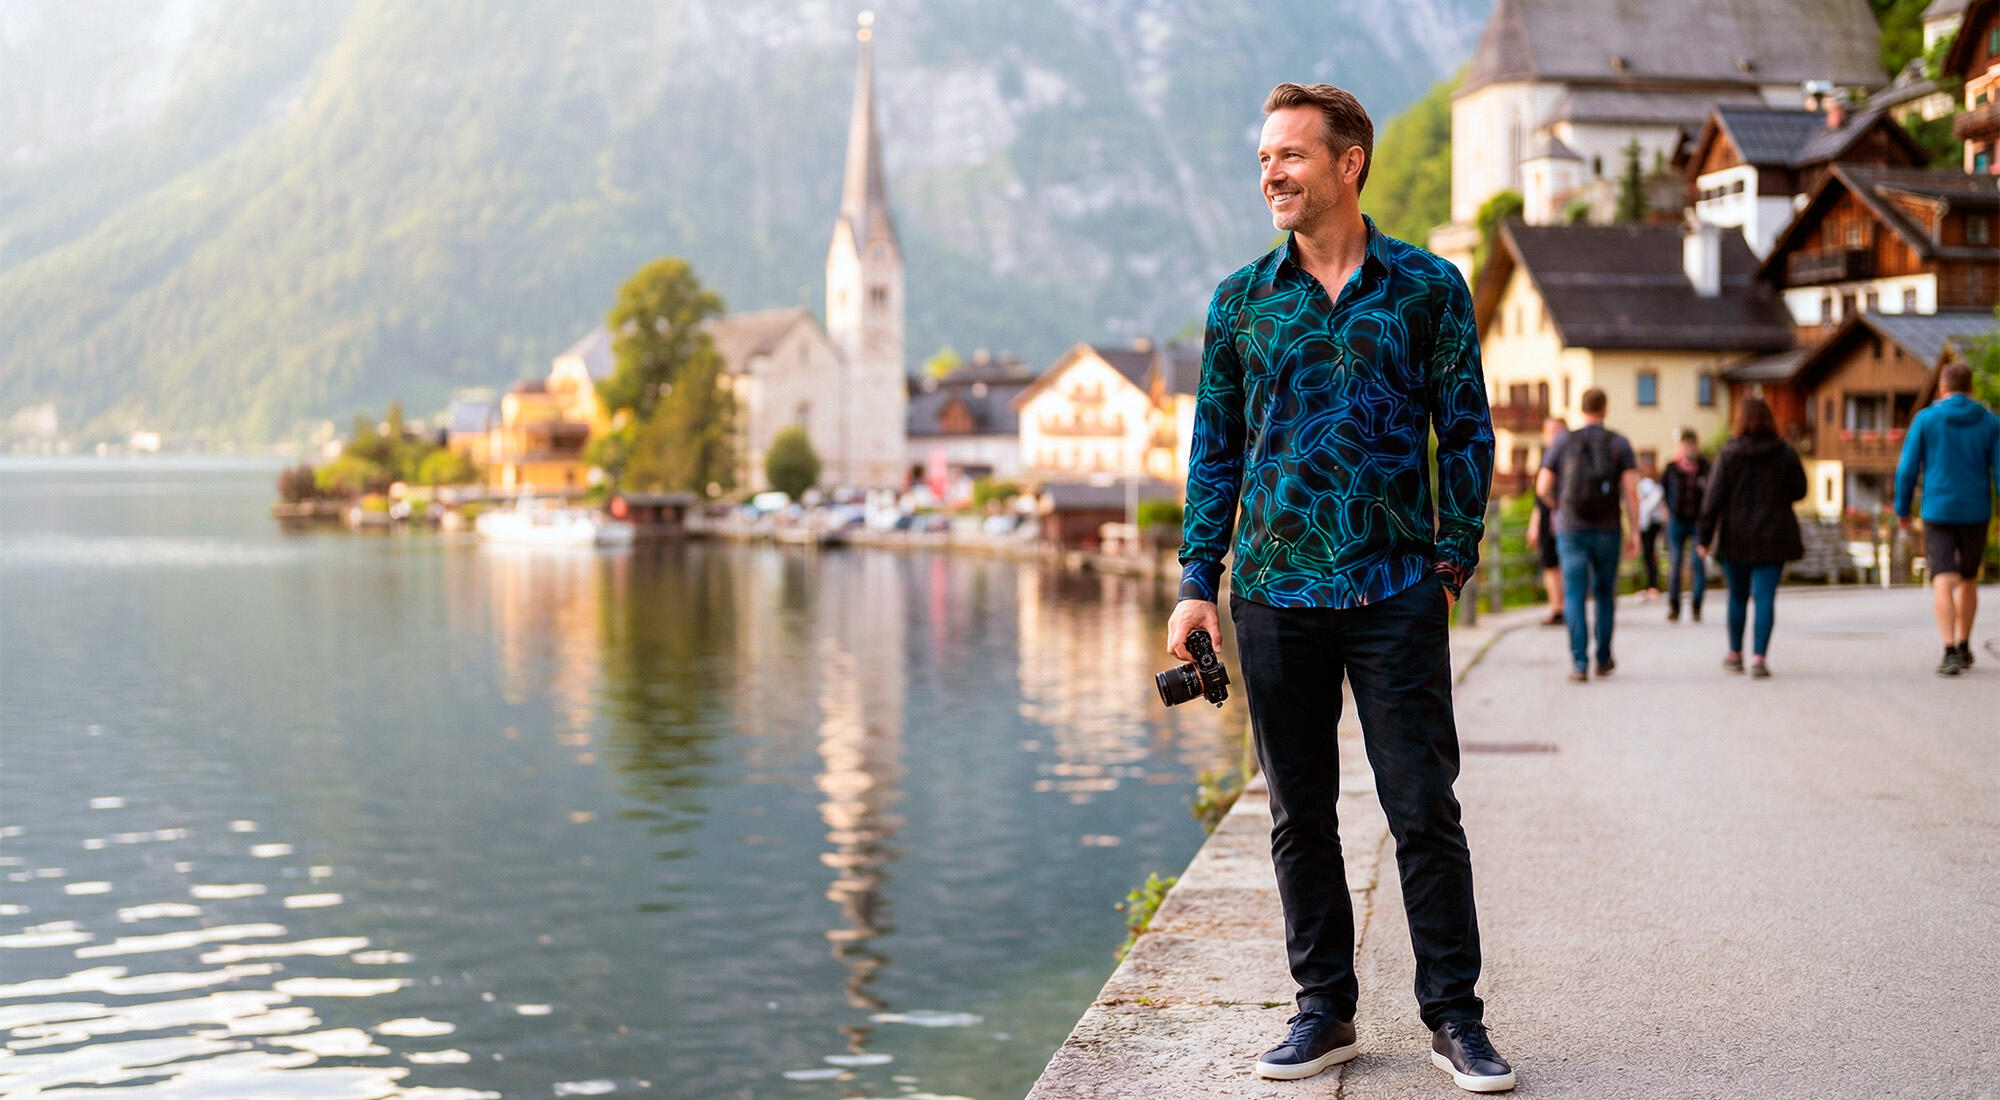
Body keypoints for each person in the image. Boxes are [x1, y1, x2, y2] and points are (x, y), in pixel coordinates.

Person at [1167, 83, 1512, 1092]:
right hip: (1273, 594)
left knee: (1422, 807)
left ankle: (1455, 1015)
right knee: (1296, 810)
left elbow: (1467, 427)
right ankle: (1323, 1009)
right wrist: (1199, 582)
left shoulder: (1427, 287)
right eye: (1263, 158)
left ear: (1347, 162)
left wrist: (1450, 556)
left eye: (1289, 155)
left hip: (1395, 588)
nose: (1270, 173)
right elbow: (1213, 454)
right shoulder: (1239, 302)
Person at [1893, 362, 2000, 676]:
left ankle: (1949, 649)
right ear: (1971, 389)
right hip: (1976, 511)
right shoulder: (1990, 423)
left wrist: (1902, 509)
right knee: (1967, 577)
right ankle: (1966, 645)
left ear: (1943, 387)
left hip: (1937, 510)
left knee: (1942, 577)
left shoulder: (1926, 420)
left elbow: (1907, 469)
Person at [1696, 397, 1806, 678]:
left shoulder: (1729, 453)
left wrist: (1704, 538)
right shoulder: (1784, 453)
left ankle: (1735, 655)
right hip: (1773, 536)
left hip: (1736, 537)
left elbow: (1713, 498)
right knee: (1765, 597)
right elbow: (1800, 490)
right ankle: (1759, 658)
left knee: (1737, 597)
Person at [1535, 388, 1639, 682]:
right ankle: (1603, 659)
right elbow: (1631, 491)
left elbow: (1542, 486)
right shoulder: (1619, 443)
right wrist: (1635, 532)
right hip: (1608, 529)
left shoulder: (1563, 441)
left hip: (1571, 530)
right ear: (1604, 409)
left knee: (1575, 596)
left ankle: (1579, 664)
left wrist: (1560, 507)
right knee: (1605, 595)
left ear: (1581, 409)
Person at [1659, 429, 1712, 623]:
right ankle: (1674, 607)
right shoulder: (1671, 469)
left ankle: (1696, 606)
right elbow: (1663, 490)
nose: (1688, 448)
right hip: (1676, 521)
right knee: (1675, 563)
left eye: (1691, 444)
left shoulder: (1706, 468)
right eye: (1684, 445)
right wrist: (1667, 509)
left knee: (1698, 564)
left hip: (1698, 521)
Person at [1525, 417, 1567, 625]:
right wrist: (1534, 525)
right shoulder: (1545, 459)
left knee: (1565, 564)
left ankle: (1566, 608)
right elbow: (1538, 498)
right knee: (1550, 563)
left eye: (1557, 430)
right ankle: (1557, 608)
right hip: (1546, 520)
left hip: (1565, 519)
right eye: (1549, 430)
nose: (1553, 435)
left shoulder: (1568, 458)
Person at [1636, 460, 1665, 601]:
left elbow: (1648, 504)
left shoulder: (1649, 485)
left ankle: (1653, 585)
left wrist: (1642, 516)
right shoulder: (1649, 485)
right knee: (1648, 555)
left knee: (1650, 555)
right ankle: (1650, 585)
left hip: (1649, 524)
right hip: (1646, 524)